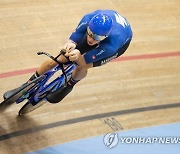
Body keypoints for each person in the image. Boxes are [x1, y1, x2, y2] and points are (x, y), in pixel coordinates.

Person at [4, 9, 133, 103]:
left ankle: (70, 84)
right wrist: (69, 44)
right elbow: (74, 38)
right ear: (88, 27)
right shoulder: (87, 19)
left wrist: (79, 57)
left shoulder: (112, 44)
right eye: (90, 33)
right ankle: (26, 84)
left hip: (120, 44)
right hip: (103, 27)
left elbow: (83, 62)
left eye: (97, 37)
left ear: (104, 37)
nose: (91, 39)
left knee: (82, 66)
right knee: (59, 58)